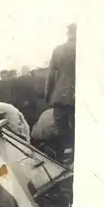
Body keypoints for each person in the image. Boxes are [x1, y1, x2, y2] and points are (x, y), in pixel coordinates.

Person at [45, 23, 76, 164]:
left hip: (60, 96)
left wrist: (48, 95)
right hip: (79, 97)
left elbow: (50, 75)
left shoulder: (59, 50)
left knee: (61, 130)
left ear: (67, 33)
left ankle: (63, 160)